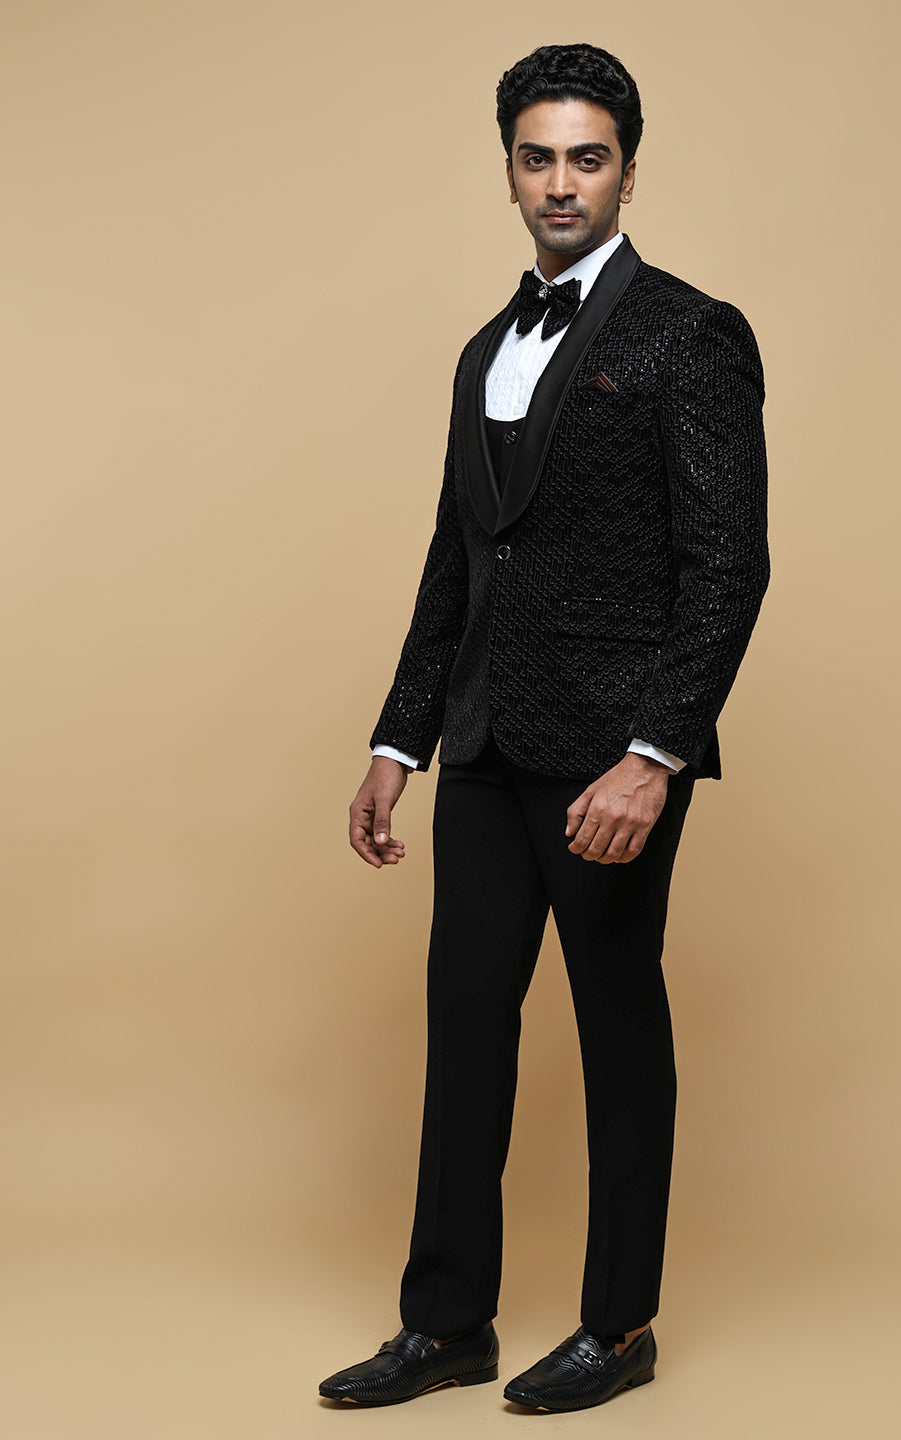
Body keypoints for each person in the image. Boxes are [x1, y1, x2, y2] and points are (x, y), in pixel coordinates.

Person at [318, 42, 770, 1414]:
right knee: (465, 1028)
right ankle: (446, 1324)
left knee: (617, 1026)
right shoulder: (484, 349)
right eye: (538, 157)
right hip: (482, 744)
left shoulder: (692, 333)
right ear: (509, 171)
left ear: (628, 169)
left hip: (609, 758)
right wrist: (399, 742)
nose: (561, 181)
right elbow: (458, 560)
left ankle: (619, 1329)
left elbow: (727, 566)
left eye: (587, 157)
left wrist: (655, 754)